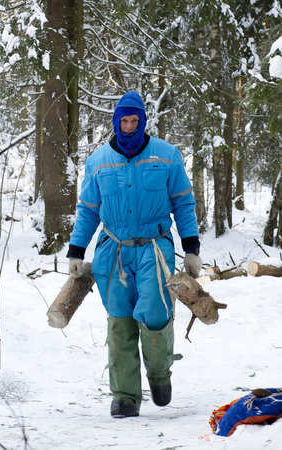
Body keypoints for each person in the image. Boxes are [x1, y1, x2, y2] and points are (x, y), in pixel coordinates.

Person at [66, 91, 202, 418]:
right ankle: (124, 395)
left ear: (142, 120)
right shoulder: (99, 161)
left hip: (155, 247)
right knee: (119, 320)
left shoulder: (166, 156)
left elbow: (184, 202)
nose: (128, 126)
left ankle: (159, 374)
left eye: (134, 120)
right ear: (116, 123)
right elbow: (87, 210)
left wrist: (191, 247)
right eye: (123, 121)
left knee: (155, 313)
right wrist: (76, 250)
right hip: (112, 250)